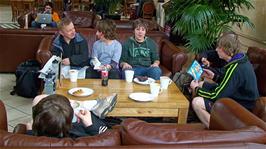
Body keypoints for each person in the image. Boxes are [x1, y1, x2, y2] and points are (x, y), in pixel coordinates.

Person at [190, 32, 259, 128]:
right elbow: (232, 83)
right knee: (202, 84)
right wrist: (214, 77)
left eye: (219, 47)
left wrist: (196, 89)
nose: (216, 49)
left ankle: (217, 131)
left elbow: (216, 96)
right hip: (235, 97)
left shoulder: (235, 68)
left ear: (227, 50)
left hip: (240, 107)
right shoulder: (240, 59)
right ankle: (198, 115)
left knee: (196, 102)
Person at [27, 93, 117, 138]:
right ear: (71, 122)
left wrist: (30, 131)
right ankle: (93, 107)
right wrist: (90, 125)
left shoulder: (33, 139)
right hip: (92, 128)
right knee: (94, 118)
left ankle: (93, 106)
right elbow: (108, 137)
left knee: (38, 99)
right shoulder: (79, 135)